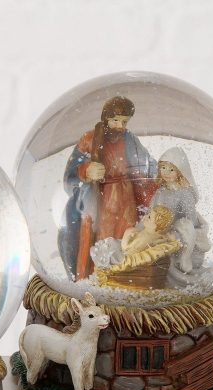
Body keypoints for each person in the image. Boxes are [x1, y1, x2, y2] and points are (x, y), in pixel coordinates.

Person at [59, 96, 157, 280]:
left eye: (124, 121)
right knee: (102, 238)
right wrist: (86, 170)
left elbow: (146, 163)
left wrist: (159, 174)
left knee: (127, 236)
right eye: (115, 120)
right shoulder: (89, 139)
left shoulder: (129, 139)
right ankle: (99, 276)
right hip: (100, 198)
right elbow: (70, 175)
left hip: (126, 196)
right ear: (106, 118)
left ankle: (123, 277)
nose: (120, 126)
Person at [150, 147, 210, 277]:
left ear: (180, 172)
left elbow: (190, 221)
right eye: (163, 167)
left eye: (171, 169)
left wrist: (173, 232)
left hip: (178, 233)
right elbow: (150, 213)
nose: (166, 172)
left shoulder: (184, 193)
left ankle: (182, 262)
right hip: (159, 231)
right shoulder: (160, 192)